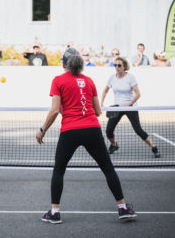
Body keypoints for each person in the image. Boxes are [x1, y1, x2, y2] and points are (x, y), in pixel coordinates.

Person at [36, 48, 136, 224]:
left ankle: (54, 212)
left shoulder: (58, 80)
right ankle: (122, 208)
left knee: (59, 170)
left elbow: (54, 110)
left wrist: (42, 130)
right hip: (92, 129)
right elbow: (97, 111)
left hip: (70, 131)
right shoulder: (89, 81)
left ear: (65, 64)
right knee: (107, 168)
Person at [100, 56, 160, 158]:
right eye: (115, 65)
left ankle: (153, 147)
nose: (117, 67)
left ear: (124, 67)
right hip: (117, 107)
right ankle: (114, 145)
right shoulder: (112, 78)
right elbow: (105, 90)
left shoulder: (130, 77)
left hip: (130, 107)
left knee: (138, 130)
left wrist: (129, 103)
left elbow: (138, 94)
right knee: (108, 130)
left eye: (119, 65)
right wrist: (101, 103)